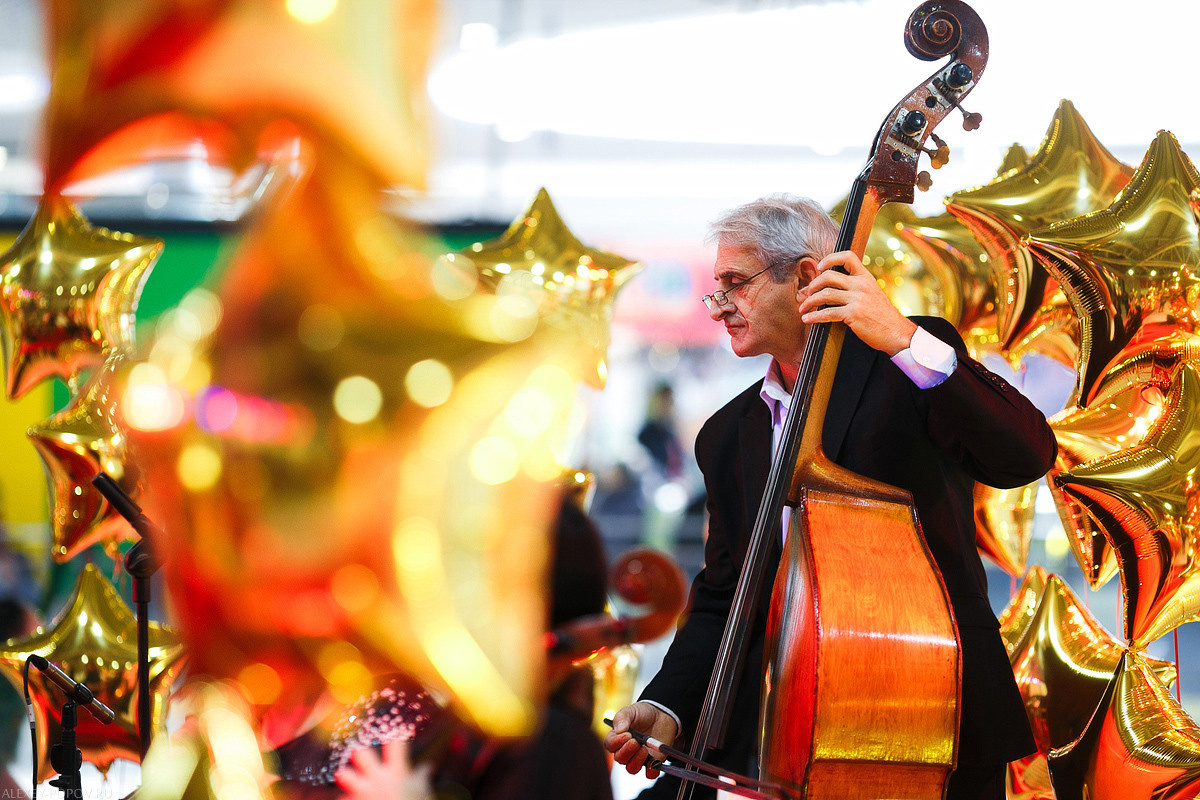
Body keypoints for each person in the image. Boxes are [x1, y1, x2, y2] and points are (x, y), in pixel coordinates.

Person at [604, 195, 1054, 799]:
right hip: (787, 730)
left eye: (735, 284)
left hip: (933, 714)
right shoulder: (725, 435)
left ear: (806, 277)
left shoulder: (910, 361)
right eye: (718, 287)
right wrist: (669, 701)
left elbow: (1024, 456)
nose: (718, 307)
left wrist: (900, 337)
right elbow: (723, 594)